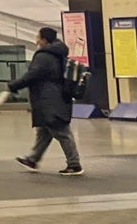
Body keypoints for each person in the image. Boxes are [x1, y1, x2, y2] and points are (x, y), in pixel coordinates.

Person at [8, 26, 83, 176]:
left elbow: (33, 75)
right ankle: (33, 159)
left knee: (61, 131)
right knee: (44, 130)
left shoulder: (44, 55)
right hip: (56, 96)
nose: (36, 40)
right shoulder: (58, 53)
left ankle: (74, 164)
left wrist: (14, 85)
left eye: (38, 37)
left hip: (48, 99)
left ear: (44, 39)